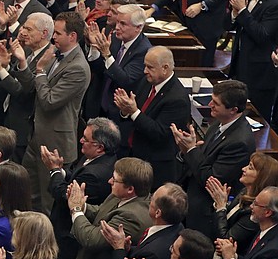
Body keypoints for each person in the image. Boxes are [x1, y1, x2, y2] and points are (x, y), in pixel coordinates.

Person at [20, 11, 90, 214]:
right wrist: (25, 65)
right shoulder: (53, 52)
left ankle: (45, 244)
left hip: (55, 144)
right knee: (28, 194)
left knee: (47, 203)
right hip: (36, 136)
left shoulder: (78, 68)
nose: (53, 37)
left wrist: (40, 70)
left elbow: (50, 101)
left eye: (58, 33)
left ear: (73, 36)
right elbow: (32, 86)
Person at [172, 80, 256, 236]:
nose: (210, 104)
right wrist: (187, 151)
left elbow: (212, 180)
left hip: (204, 212)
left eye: (216, 103)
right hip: (190, 195)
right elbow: (203, 158)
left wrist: (191, 150)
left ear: (233, 110)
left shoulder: (239, 142)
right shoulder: (219, 123)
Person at [43, 117, 118, 259]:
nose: (81, 140)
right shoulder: (97, 157)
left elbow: (63, 195)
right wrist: (63, 171)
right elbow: (74, 176)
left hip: (70, 236)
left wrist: (54, 170)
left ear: (99, 147)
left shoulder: (95, 175)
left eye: (86, 138)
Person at [113, 46, 191, 187]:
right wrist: (125, 110)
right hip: (134, 153)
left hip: (155, 167)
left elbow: (159, 133)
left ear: (165, 68)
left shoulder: (177, 99)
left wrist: (133, 111)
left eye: (150, 67)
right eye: (145, 66)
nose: (145, 71)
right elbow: (134, 111)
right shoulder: (147, 82)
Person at [0, 12, 52, 162]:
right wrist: (5, 65)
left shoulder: (48, 58)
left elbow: (24, 93)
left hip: (23, 126)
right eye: (23, 28)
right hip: (9, 116)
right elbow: (17, 79)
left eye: (29, 29)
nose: (22, 32)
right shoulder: (27, 50)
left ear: (44, 34)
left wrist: (1, 71)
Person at [228, 0, 278, 122]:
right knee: (237, 116)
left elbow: (262, 35)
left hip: (260, 73)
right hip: (240, 64)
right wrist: (234, 14)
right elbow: (229, 25)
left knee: (257, 120)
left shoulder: (274, 3)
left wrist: (242, 10)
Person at [84, 3, 151, 121]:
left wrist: (106, 54)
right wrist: (95, 48)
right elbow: (101, 70)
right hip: (98, 104)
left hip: (118, 113)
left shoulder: (144, 51)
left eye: (123, 24)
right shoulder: (115, 38)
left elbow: (125, 79)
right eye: (118, 22)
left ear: (138, 27)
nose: (117, 27)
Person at [206, 152, 278, 248]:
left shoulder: (254, 212)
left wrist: (221, 207)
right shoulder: (244, 192)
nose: (243, 169)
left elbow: (224, 240)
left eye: (250, 167)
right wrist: (220, 203)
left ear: (261, 177)